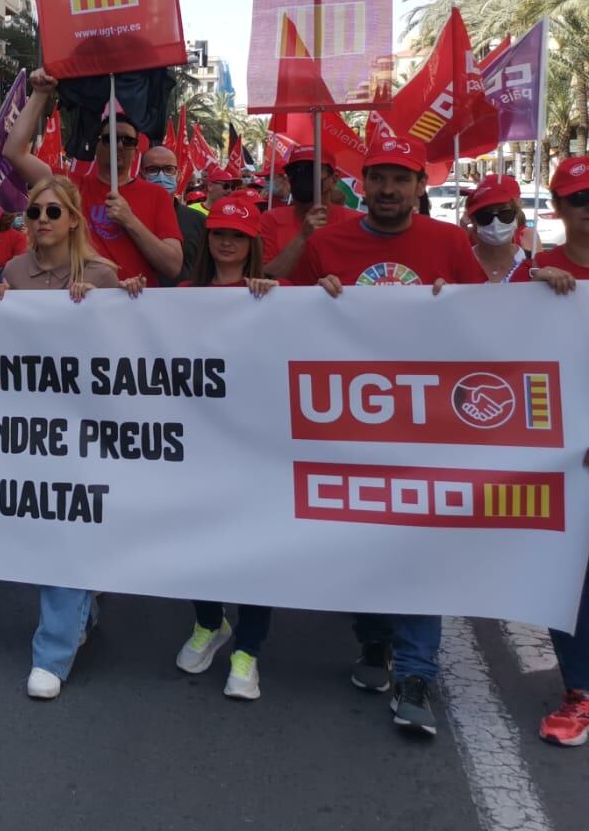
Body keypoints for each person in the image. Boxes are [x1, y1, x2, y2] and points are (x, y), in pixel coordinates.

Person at [291, 136, 485, 737]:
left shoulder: (451, 243)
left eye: (402, 179)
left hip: (429, 429)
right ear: (363, 183)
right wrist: (309, 299)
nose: (390, 190)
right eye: (378, 178)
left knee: (420, 546)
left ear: (421, 187)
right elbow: (282, 321)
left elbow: (497, 324)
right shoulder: (326, 244)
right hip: (349, 425)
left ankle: (418, 670)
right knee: (365, 542)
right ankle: (374, 640)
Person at [0, 175, 129, 699]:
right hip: (29, 423)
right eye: (34, 213)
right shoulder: (14, 272)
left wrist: (101, 310)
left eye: (52, 212)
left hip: (86, 422)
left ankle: (53, 651)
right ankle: (82, 604)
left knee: (65, 525)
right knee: (52, 524)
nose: (41, 221)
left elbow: (124, 355)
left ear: (73, 219)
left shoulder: (102, 275)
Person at [170, 196, 279, 699]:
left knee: (255, 552)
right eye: (218, 234)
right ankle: (209, 623)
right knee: (198, 545)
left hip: (258, 448)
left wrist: (283, 299)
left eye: (237, 235)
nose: (227, 243)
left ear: (253, 243)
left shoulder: (276, 296)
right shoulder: (180, 296)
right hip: (197, 446)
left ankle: (247, 651)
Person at [521, 156, 589, 747]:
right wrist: (531, 297)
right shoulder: (536, 275)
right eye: (580, 199)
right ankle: (580, 692)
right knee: (566, 573)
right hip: (564, 458)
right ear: (560, 208)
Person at [4, 69, 183, 285]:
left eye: (128, 141)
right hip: (82, 304)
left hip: (135, 308)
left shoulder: (157, 196)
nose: (118, 145)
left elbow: (173, 266)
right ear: (97, 145)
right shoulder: (70, 187)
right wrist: (40, 93)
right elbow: (14, 153)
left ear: (137, 150)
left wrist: (130, 220)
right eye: (109, 139)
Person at [261, 148, 360, 279]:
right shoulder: (270, 219)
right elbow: (265, 278)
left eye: (313, 171)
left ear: (334, 179)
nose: (302, 176)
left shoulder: (355, 222)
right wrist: (302, 237)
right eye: (295, 171)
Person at [139, 144, 205, 284]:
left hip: (185, 302)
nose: (161, 176)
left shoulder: (198, 220)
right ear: (142, 174)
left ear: (178, 175)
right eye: (153, 170)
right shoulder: (129, 218)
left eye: (169, 169)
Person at [462, 174, 530, 283]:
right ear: (473, 220)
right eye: (485, 216)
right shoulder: (458, 264)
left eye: (504, 214)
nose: (495, 223)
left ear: (517, 214)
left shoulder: (533, 264)